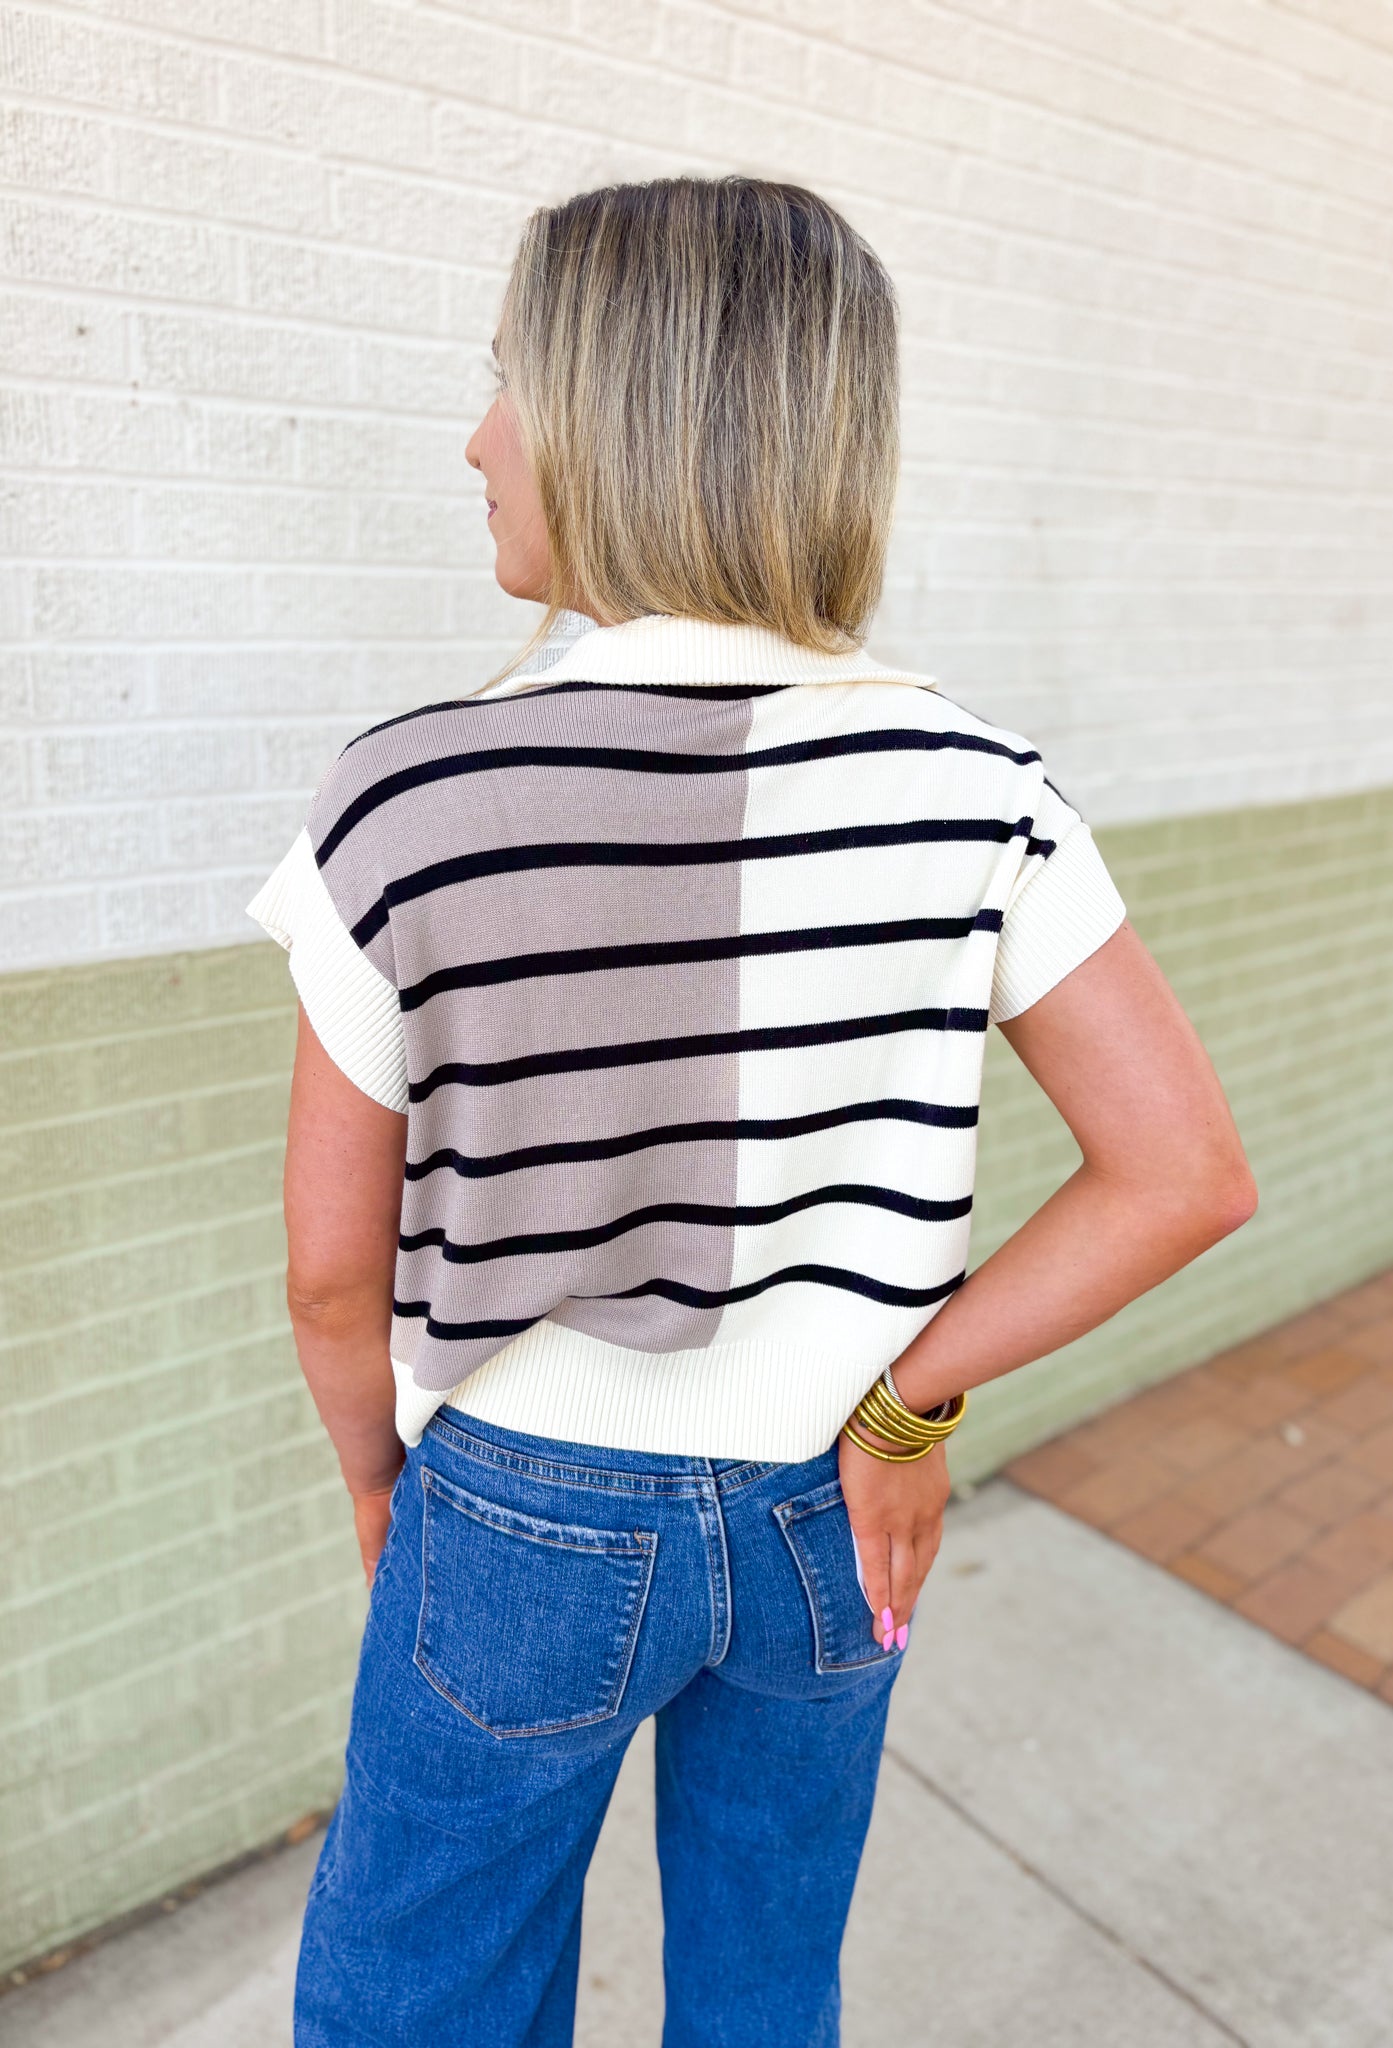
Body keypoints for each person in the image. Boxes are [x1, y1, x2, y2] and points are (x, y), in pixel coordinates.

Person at [246, 175, 1257, 2048]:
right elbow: (1180, 1174)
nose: (474, 440)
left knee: (421, 1987)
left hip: (519, 1509)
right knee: (767, 1981)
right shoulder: (977, 785)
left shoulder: (406, 800)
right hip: (829, 1523)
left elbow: (328, 1277)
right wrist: (905, 1400)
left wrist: (390, 1486)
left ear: (625, 415)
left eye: (508, 383)